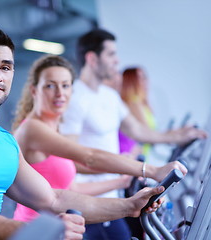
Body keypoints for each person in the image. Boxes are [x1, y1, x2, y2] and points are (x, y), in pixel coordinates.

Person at [0, 28, 169, 240]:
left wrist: (130, 206)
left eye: (6, 67)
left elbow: (53, 198)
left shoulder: (2, 139)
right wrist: (42, 232)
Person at [59, 28, 207, 240]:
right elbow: (69, 160)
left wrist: (180, 135)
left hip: (113, 199)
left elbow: (138, 131)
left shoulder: (109, 96)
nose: (117, 61)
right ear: (92, 59)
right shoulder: (75, 98)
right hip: (90, 204)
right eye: (111, 54)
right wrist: (130, 171)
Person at [11, 55, 185, 225]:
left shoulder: (53, 129)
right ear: (34, 91)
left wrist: (122, 183)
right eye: (50, 86)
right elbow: (89, 156)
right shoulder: (32, 129)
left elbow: (71, 189)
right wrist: (152, 170)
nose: (60, 93)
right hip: (35, 229)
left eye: (65, 85)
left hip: (61, 228)